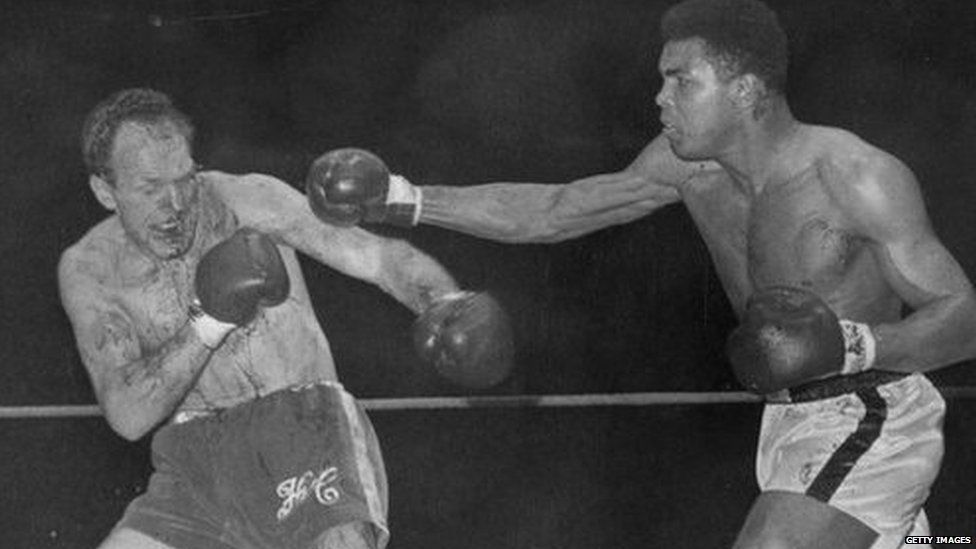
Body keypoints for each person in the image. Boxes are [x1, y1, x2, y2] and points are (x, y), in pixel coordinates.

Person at [307, 0, 976, 547]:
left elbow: (963, 317)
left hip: (871, 408)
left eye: (681, 79)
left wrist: (854, 343)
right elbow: (555, 210)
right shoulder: (685, 168)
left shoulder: (853, 176)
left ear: (744, 89)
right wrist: (402, 198)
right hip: (786, 422)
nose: (660, 97)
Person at [58, 88, 513, 549]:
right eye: (151, 188)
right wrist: (209, 321)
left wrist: (443, 301)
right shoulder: (90, 269)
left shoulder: (246, 201)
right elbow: (128, 414)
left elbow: (377, 259)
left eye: (184, 178)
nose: (175, 204)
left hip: (302, 427)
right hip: (195, 463)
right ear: (105, 191)